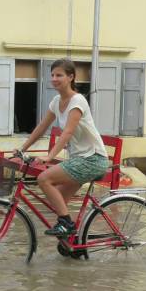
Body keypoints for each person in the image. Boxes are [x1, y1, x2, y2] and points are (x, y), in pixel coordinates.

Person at [15, 59, 109, 237]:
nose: (54, 79)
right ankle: (72, 243)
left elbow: (67, 132)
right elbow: (42, 127)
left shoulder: (77, 100)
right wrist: (22, 148)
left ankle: (67, 225)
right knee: (58, 200)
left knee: (44, 179)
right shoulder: (57, 101)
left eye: (59, 75)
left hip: (93, 159)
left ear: (71, 77)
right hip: (79, 159)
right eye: (52, 75)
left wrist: (49, 157)